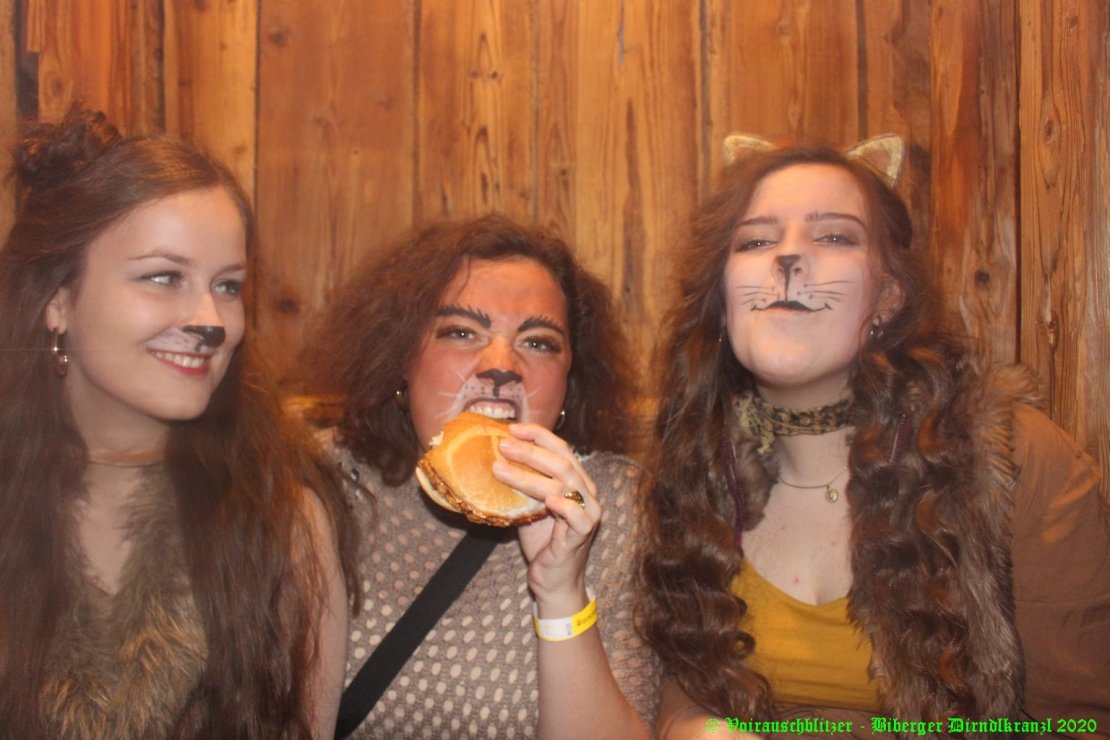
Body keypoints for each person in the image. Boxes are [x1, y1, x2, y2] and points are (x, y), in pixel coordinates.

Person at [638, 136, 1109, 737]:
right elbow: (679, 680)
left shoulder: (1011, 461)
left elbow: (1079, 725)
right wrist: (691, 725)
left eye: (835, 236)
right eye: (755, 241)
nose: (788, 257)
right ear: (723, 302)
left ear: (887, 297)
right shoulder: (694, 465)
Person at [0, 106, 357, 738]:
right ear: (58, 301)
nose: (210, 321)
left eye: (228, 286)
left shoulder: (281, 521)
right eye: (164, 277)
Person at [301, 214, 658, 738]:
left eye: (538, 342)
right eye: (462, 332)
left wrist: (561, 592)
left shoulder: (616, 507)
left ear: (569, 382)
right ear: (402, 360)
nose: (501, 364)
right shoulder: (322, 483)